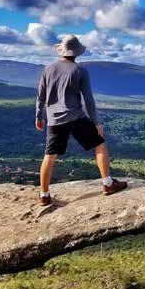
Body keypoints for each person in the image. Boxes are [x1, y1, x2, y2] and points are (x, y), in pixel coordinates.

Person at [35, 34, 128, 205]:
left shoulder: (48, 69)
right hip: (76, 117)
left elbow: (40, 96)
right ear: (77, 52)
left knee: (50, 155)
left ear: (62, 50)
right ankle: (108, 184)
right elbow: (88, 99)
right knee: (100, 144)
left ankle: (44, 195)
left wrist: (39, 116)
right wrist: (96, 122)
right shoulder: (80, 71)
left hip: (54, 120)